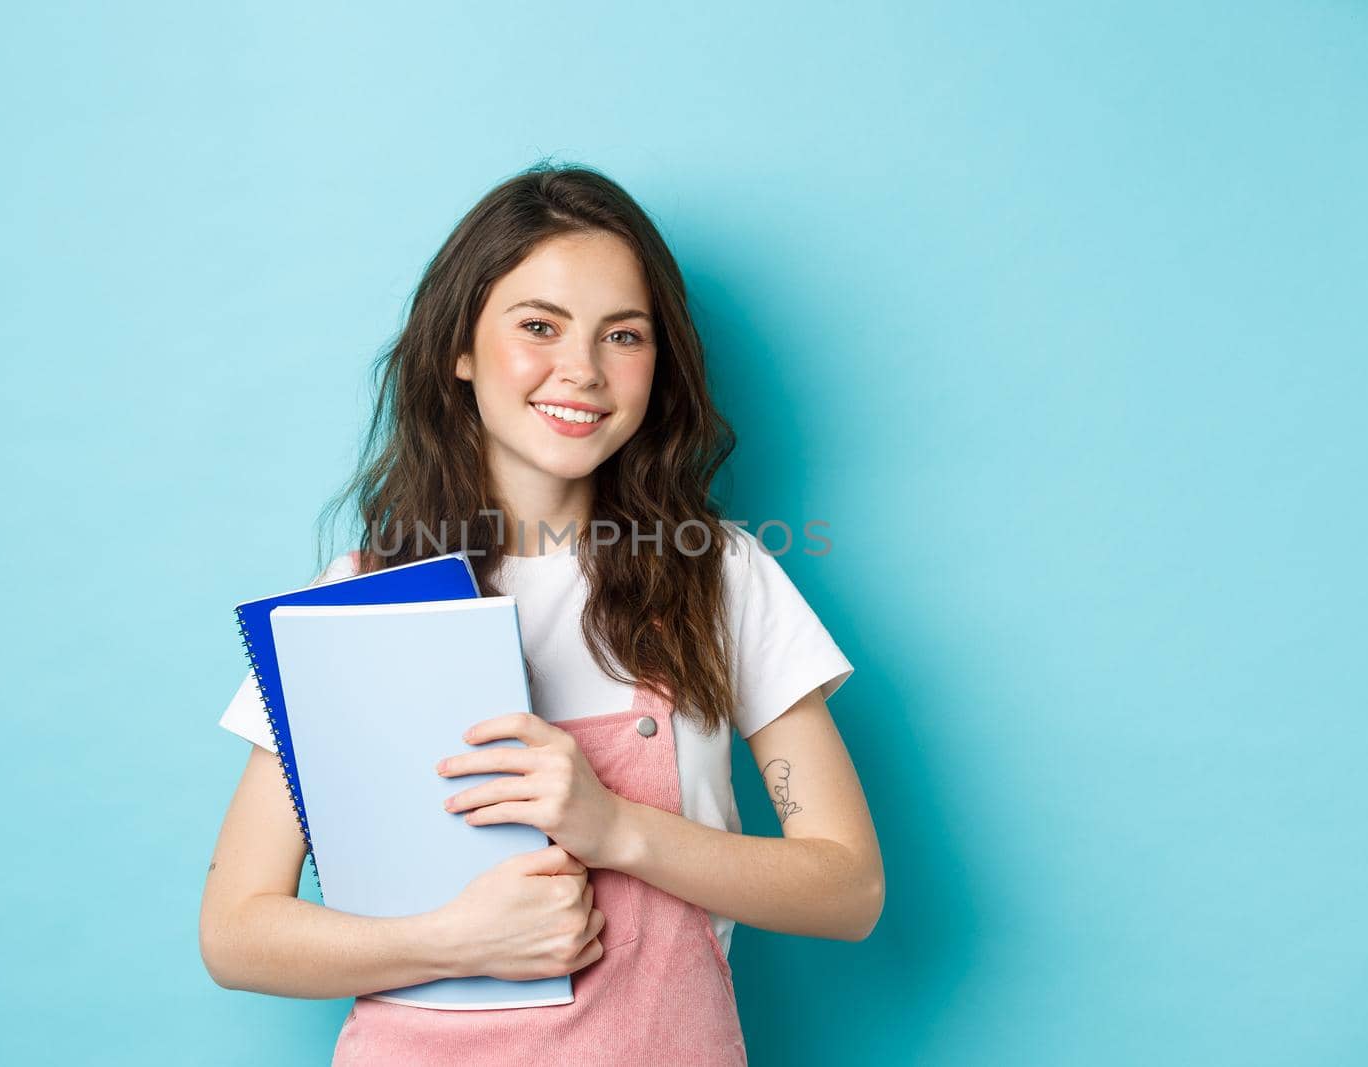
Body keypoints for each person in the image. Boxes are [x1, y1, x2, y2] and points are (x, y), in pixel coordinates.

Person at [199, 162, 885, 1065]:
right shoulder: (360, 595)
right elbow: (236, 929)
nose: (584, 370)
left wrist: (620, 829)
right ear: (461, 349)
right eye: (538, 326)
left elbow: (849, 887)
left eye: (624, 335)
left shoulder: (721, 576)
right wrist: (452, 939)